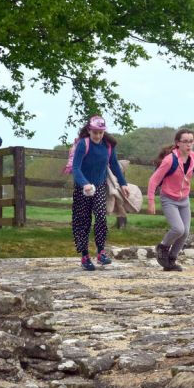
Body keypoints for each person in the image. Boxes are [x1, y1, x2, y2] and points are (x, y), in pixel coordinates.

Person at [147, 128, 194, 271]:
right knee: (178, 228)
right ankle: (162, 247)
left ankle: (171, 261)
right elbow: (154, 180)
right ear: (178, 143)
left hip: (184, 199)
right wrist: (151, 201)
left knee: (185, 232)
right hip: (168, 198)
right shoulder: (170, 160)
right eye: (185, 142)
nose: (189, 145)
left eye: (191, 141)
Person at [71, 115, 131, 271]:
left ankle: (101, 252)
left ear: (104, 132)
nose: (97, 135)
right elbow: (76, 168)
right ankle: (84, 255)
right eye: (95, 132)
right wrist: (84, 184)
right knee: (82, 221)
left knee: (101, 217)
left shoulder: (108, 146)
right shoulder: (83, 145)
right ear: (89, 130)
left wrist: (123, 183)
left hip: (99, 187)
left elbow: (114, 165)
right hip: (82, 189)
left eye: (100, 132)